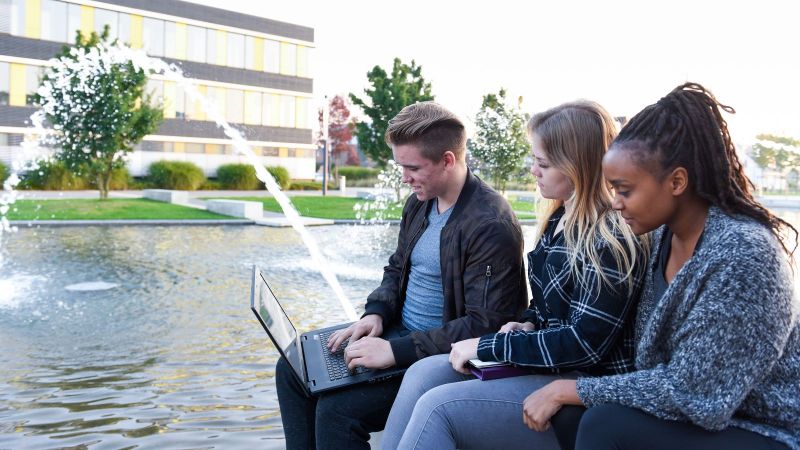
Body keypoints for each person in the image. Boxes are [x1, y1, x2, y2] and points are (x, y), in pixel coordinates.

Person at [525, 83, 800, 450]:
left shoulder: (743, 255)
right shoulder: (660, 240)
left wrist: (573, 388)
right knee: (572, 415)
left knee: (604, 423)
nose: (616, 204)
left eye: (624, 190)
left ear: (677, 181)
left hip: (759, 430)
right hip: (697, 418)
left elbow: (697, 392)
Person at [381, 100, 647, 450]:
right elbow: (548, 307)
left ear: (576, 167)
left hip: (585, 386)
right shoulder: (559, 219)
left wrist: (487, 344)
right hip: (548, 365)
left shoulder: (609, 238)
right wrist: (527, 323)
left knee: (438, 408)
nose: (532, 170)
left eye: (543, 163)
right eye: (533, 160)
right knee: (422, 373)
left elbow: (584, 344)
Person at [275, 101, 528, 450]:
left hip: (441, 356)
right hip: (398, 334)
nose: (404, 178)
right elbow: (397, 267)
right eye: (400, 166)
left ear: (448, 160)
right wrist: (375, 314)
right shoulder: (421, 201)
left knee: (337, 412)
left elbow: (485, 324)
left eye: (412, 168)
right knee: (292, 369)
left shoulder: (490, 224)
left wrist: (395, 351)